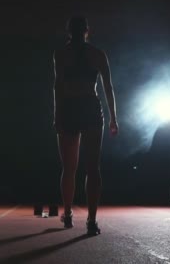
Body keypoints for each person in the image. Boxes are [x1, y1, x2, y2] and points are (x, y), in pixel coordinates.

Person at [53, 16, 118, 236]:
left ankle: (69, 214)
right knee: (92, 167)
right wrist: (113, 118)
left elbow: (58, 88)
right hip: (89, 108)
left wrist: (57, 115)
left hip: (70, 108)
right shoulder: (97, 54)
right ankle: (91, 219)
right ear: (87, 30)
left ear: (69, 32)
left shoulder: (61, 54)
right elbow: (108, 88)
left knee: (69, 168)